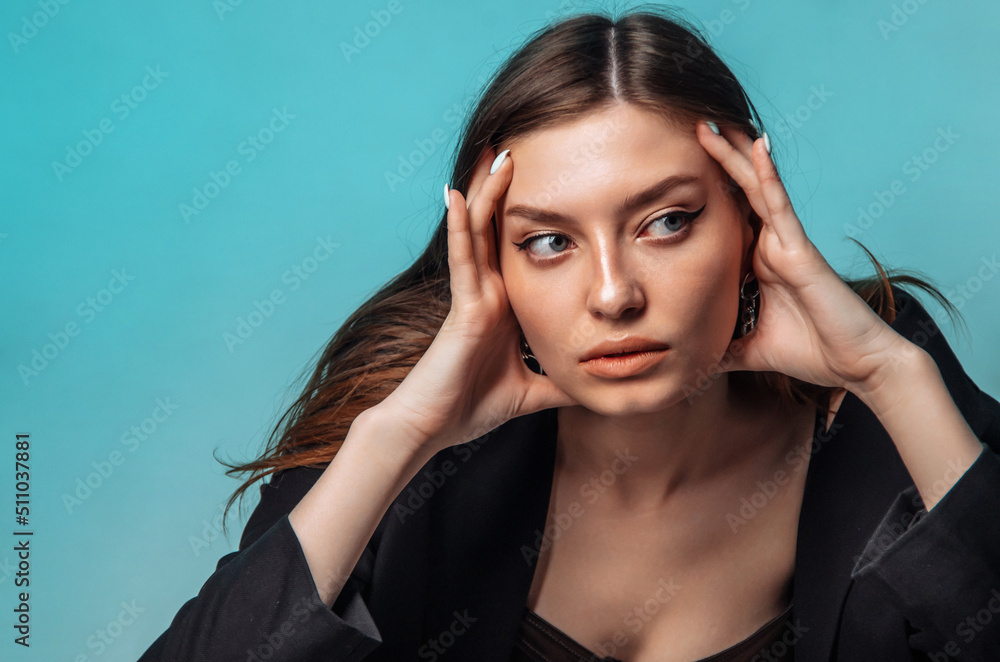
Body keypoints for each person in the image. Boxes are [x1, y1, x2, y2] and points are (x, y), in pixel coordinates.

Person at [139, 7, 1000, 661]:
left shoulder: (892, 401)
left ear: (750, 220)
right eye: (548, 242)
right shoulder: (407, 418)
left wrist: (892, 376)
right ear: (490, 262)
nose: (614, 293)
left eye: (666, 222)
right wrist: (393, 439)